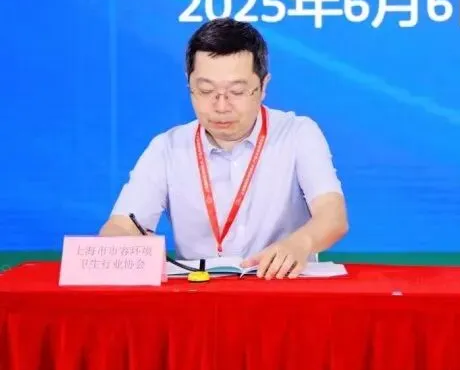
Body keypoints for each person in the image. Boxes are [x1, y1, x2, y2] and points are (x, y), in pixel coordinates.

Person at [100, 18, 349, 279]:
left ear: (263, 86)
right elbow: (120, 225)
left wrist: (300, 243)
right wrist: (125, 244)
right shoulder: (167, 148)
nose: (221, 106)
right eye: (206, 90)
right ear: (189, 84)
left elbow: (332, 216)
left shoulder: (297, 133)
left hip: (281, 286)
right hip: (199, 292)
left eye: (237, 91)